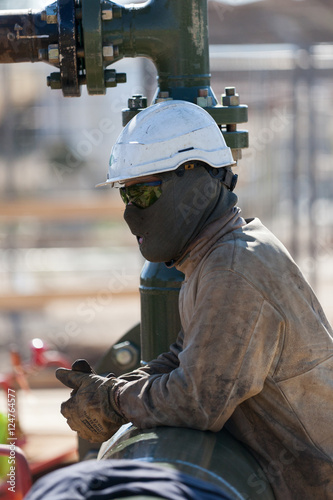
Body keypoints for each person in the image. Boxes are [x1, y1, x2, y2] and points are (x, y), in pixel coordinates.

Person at [56, 100, 333, 499]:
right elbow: (185, 357)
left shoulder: (234, 267)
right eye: (126, 196)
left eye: (146, 194)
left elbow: (198, 402)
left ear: (196, 179)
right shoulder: (217, 255)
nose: (133, 213)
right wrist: (113, 388)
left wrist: (114, 401)